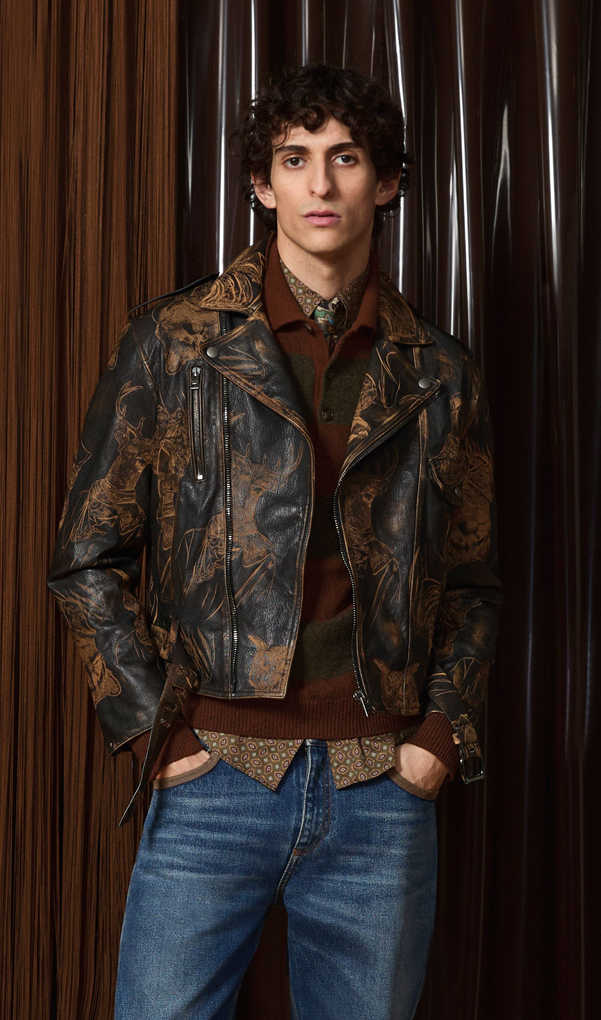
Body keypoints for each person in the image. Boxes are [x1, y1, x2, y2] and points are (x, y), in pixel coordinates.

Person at [48, 63, 502, 1020]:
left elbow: (473, 583)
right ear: (262, 186)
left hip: (382, 782)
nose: (320, 183)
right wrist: (160, 735)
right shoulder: (175, 343)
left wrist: (436, 740)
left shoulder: (442, 373)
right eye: (295, 160)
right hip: (211, 771)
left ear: (387, 182)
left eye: (346, 158)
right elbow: (87, 557)